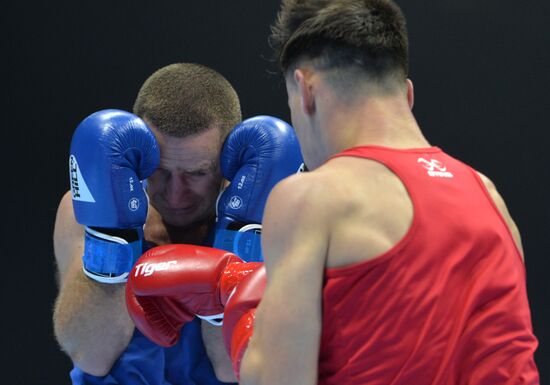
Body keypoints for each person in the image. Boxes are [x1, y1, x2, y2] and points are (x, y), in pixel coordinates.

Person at [122, 1, 540, 384]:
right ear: (407, 95)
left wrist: (241, 310)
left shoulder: (312, 199)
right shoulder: (488, 198)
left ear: (305, 92)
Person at [53, 63, 288, 384]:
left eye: (197, 173)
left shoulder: (268, 219)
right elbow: (91, 354)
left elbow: (231, 367)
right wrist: (114, 235)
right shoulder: (86, 207)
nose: (176, 193)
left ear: (229, 163)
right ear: (137, 155)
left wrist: (238, 242)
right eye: (160, 170)